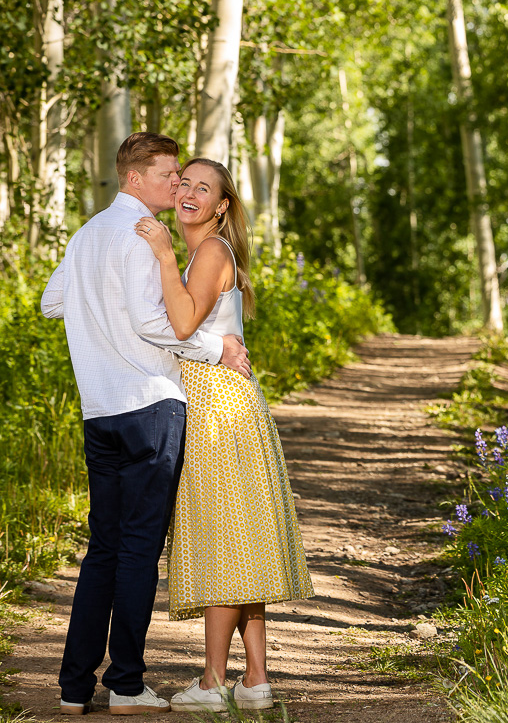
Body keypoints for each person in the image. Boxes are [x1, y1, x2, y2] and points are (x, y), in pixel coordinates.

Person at [41, 132, 252, 716]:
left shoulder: (87, 234)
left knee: (102, 547)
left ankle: (73, 687)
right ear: (136, 178)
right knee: (137, 550)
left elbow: (52, 301)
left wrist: (95, 311)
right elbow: (158, 325)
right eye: (169, 176)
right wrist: (216, 351)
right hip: (148, 405)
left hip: (98, 410)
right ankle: (127, 685)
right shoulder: (140, 237)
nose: (177, 185)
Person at [133, 157, 313, 714]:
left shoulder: (208, 253)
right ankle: (254, 678)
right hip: (230, 405)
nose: (187, 192)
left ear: (221, 205)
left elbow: (184, 325)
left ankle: (213, 683)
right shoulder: (207, 252)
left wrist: (163, 255)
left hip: (220, 410)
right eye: (183, 182)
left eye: (202, 188)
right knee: (242, 540)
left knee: (223, 542)